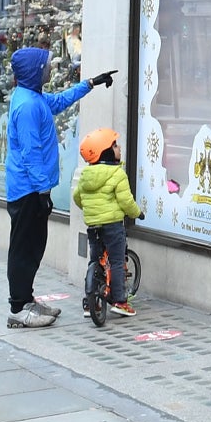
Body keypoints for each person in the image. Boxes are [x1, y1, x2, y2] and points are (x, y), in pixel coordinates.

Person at [5, 47, 115, 329]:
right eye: (45, 66)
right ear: (33, 70)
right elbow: (31, 154)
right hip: (28, 191)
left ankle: (26, 300)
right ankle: (18, 308)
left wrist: (90, 83)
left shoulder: (34, 97)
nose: (49, 69)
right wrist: (42, 192)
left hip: (32, 190)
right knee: (24, 250)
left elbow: (59, 101)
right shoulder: (28, 106)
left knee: (32, 248)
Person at [75, 127, 143, 317]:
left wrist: (92, 210)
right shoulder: (117, 174)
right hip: (113, 226)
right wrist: (137, 213)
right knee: (116, 261)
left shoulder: (85, 175)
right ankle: (120, 302)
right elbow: (126, 201)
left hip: (93, 225)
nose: (119, 148)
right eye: (114, 145)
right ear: (106, 152)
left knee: (95, 260)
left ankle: (91, 303)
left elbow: (77, 197)